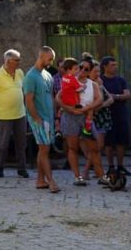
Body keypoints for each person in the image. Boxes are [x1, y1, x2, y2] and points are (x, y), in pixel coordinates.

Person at [55, 58, 105, 186]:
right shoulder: (70, 80)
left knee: (94, 148)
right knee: (72, 147)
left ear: (90, 72)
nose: (82, 70)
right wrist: (69, 109)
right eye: (80, 67)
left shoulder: (92, 84)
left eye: (86, 69)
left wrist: (87, 109)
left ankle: (101, 176)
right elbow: (58, 98)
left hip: (86, 117)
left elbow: (99, 100)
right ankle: (78, 177)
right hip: (71, 116)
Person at [23, 46, 60, 192]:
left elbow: (51, 96)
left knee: (44, 149)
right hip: (39, 118)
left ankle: (40, 180)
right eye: (50, 58)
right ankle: (51, 181)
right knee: (44, 149)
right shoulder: (31, 76)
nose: (51, 61)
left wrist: (55, 117)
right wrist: (36, 118)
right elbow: (29, 100)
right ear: (42, 56)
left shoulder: (47, 75)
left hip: (48, 118)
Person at [0, 49, 28, 179]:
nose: (19, 62)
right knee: (3, 144)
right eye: (16, 60)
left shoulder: (20, 73)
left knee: (21, 144)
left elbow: (23, 90)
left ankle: (22, 169)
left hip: (20, 114)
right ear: (8, 61)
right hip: (4, 116)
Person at [82, 61, 114, 182]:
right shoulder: (86, 85)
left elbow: (109, 98)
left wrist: (102, 105)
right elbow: (94, 103)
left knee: (98, 147)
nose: (97, 74)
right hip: (93, 118)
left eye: (98, 71)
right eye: (95, 71)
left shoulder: (99, 83)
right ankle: (86, 172)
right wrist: (100, 105)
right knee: (96, 146)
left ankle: (97, 172)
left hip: (102, 118)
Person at [100, 56, 131, 174]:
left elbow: (128, 95)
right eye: (112, 65)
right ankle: (111, 166)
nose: (115, 67)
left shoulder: (120, 80)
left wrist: (115, 96)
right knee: (109, 142)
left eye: (115, 65)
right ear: (105, 66)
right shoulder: (101, 80)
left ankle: (120, 166)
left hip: (120, 113)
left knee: (121, 141)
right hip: (106, 115)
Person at [60, 58, 91, 135]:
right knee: (89, 112)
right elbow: (78, 89)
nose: (78, 71)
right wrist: (83, 87)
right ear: (68, 70)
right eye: (76, 69)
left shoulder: (64, 78)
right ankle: (87, 129)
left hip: (66, 101)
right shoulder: (73, 79)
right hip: (73, 103)